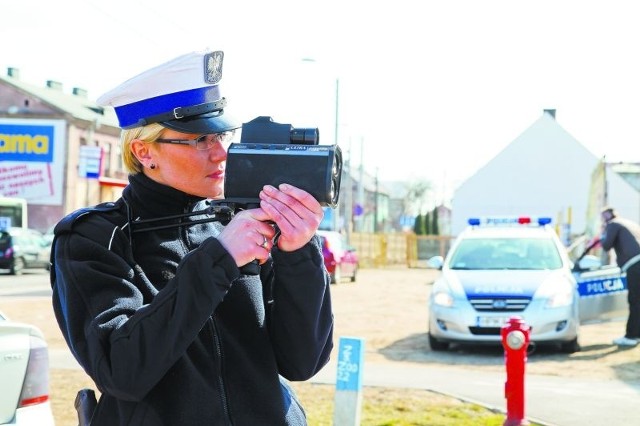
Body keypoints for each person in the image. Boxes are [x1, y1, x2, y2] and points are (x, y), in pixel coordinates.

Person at [50, 49, 334, 425]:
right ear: (144, 151)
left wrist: (299, 253)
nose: (220, 153)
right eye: (199, 140)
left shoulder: (238, 222)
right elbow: (123, 372)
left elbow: (303, 361)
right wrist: (219, 259)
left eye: (221, 135)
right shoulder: (93, 238)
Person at [599, 206, 640, 347]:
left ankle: (632, 336)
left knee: (635, 301)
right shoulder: (628, 223)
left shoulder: (613, 224)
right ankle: (635, 334)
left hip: (634, 264)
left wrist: (602, 234)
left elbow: (606, 245)